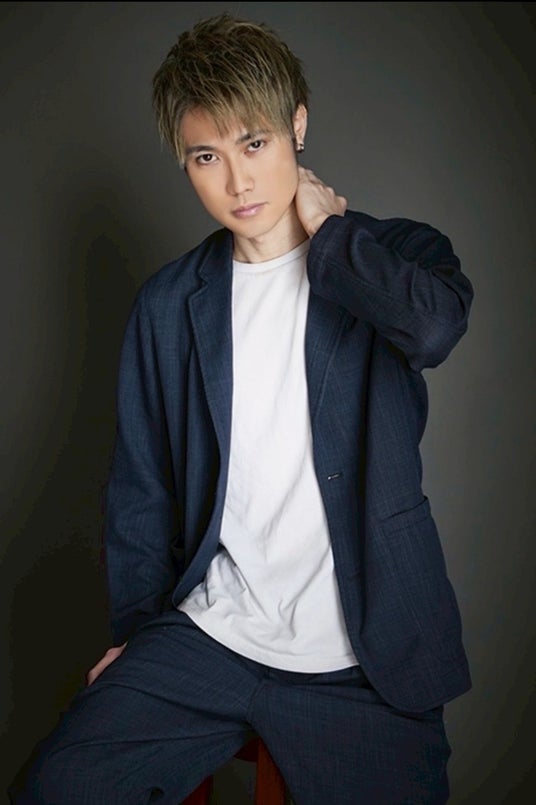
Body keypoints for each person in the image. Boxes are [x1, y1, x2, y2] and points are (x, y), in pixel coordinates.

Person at [10, 12, 473, 804]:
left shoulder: (393, 257)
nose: (237, 182)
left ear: (298, 125)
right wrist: (138, 639)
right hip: (211, 637)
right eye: (207, 157)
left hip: (362, 658)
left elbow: (432, 328)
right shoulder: (168, 305)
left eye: (254, 143)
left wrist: (330, 235)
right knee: (59, 784)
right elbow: (142, 490)